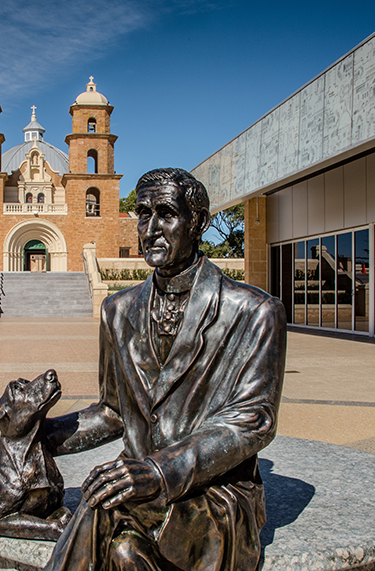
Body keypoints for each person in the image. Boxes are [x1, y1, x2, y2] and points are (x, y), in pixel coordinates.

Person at [43, 168, 287, 571]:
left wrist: (159, 470)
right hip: (134, 485)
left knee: (114, 534)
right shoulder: (117, 311)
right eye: (142, 213)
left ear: (199, 223)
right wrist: (40, 435)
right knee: (109, 524)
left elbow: (252, 421)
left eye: (166, 213)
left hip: (211, 489)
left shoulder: (254, 311)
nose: (151, 228)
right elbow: (112, 412)